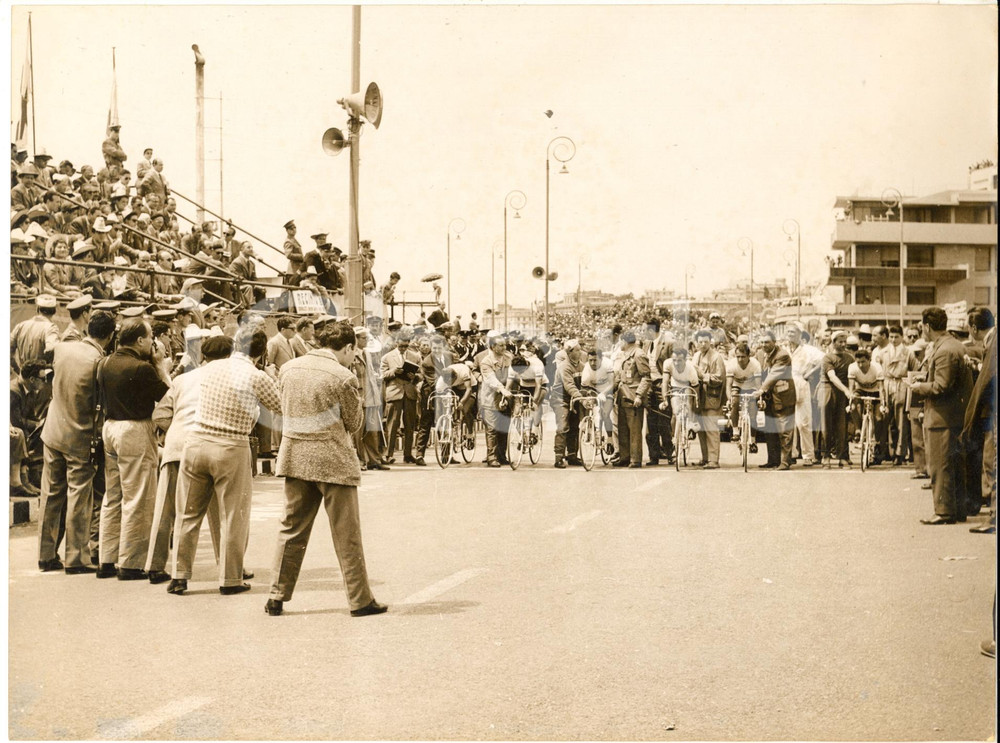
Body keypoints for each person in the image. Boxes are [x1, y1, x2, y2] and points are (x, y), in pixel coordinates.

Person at [265, 322, 386, 618]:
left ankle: (276, 595)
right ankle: (359, 600)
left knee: (291, 529)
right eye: (352, 352)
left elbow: (283, 407)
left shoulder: (289, 369)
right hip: (333, 460)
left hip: (295, 456)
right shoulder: (343, 376)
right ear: (346, 348)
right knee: (347, 534)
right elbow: (355, 423)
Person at [168, 325, 282, 595]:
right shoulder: (256, 376)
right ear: (262, 352)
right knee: (233, 515)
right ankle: (230, 578)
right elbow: (280, 406)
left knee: (188, 513)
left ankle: (179, 575)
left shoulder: (209, 368)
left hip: (196, 441)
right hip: (231, 445)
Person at [145, 335, 229, 584]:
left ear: (203, 356)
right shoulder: (227, 379)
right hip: (210, 445)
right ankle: (227, 565)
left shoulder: (181, 380)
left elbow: (160, 414)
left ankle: (155, 564)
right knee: (219, 512)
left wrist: (172, 433)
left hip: (177, 446)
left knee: (166, 509)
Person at [37, 311, 116, 574]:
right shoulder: (99, 361)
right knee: (79, 498)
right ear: (110, 335)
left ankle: (46, 555)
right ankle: (76, 558)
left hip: (53, 432)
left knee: (50, 495)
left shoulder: (62, 348)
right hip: (79, 437)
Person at [96, 318, 171, 580]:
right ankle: (131, 563)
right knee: (138, 497)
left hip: (110, 428)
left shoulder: (104, 363)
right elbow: (169, 396)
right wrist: (160, 364)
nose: (154, 342)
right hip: (135, 429)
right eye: (150, 337)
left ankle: (106, 559)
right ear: (140, 340)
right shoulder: (143, 368)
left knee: (113, 496)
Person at [910, 307, 974, 525]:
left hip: (942, 417)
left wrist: (918, 386)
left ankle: (944, 510)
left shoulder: (944, 349)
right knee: (955, 464)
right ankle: (957, 509)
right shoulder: (954, 345)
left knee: (940, 465)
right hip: (954, 415)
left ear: (927, 326)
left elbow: (941, 386)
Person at [613, 330, 651, 468]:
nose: (619, 344)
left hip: (633, 397)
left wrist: (640, 395)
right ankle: (625, 457)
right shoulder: (626, 355)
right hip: (623, 396)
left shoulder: (639, 354)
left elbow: (646, 377)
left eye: (620, 341)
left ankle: (635, 459)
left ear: (624, 341)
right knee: (623, 429)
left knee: (634, 430)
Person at [381, 332, 420, 464]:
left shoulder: (415, 356)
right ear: (396, 343)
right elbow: (382, 374)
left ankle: (408, 454)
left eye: (406, 346)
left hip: (409, 392)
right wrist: (393, 372)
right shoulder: (387, 357)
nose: (403, 348)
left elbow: (420, 375)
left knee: (410, 425)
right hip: (394, 392)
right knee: (392, 424)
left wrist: (414, 376)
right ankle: (388, 454)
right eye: (401, 346)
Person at [692, 329, 726, 469]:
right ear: (696, 343)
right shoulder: (696, 356)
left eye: (706, 341)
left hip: (712, 396)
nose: (703, 344)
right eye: (700, 341)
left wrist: (702, 376)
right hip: (698, 396)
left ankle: (713, 460)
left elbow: (719, 378)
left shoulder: (716, 357)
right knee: (701, 428)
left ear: (710, 342)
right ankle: (705, 457)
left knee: (711, 428)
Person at [479, 331, 514, 467]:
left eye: (504, 345)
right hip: (491, 398)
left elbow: (513, 374)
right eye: (500, 345)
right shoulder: (486, 362)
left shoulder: (508, 358)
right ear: (493, 347)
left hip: (506, 397)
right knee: (492, 429)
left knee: (504, 427)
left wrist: (508, 390)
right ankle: (491, 457)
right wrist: (502, 389)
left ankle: (501, 455)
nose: (504, 348)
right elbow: (490, 379)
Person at [847, 348, 887, 463]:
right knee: (853, 405)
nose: (860, 365)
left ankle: (877, 442)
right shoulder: (852, 367)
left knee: (879, 418)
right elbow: (851, 388)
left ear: (869, 360)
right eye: (858, 362)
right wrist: (850, 402)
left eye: (863, 362)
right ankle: (858, 429)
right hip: (861, 391)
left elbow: (881, 388)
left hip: (875, 392)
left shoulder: (877, 368)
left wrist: (883, 404)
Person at [820, 331, 854, 468]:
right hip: (828, 390)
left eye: (845, 341)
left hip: (843, 394)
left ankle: (842, 457)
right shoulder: (827, 358)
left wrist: (850, 391)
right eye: (840, 341)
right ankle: (825, 456)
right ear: (833, 342)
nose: (843, 344)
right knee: (826, 426)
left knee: (842, 426)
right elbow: (832, 377)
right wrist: (846, 390)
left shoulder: (850, 358)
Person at [642, 318, 673, 466]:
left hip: (662, 383)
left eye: (645, 330)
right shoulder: (646, 344)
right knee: (651, 422)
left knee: (664, 422)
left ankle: (669, 452)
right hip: (649, 384)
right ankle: (653, 455)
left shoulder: (668, 343)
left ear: (651, 330)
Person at [552, 339, 585, 468]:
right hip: (561, 399)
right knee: (563, 427)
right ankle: (558, 457)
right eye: (577, 350)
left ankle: (572, 455)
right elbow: (569, 386)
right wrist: (580, 397)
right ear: (569, 352)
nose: (580, 351)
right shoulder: (564, 367)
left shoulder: (582, 365)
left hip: (574, 399)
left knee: (574, 426)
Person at [11, 294, 61, 373]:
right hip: (41, 379)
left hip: (23, 376)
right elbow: (51, 349)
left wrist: (17, 369)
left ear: (37, 309)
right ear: (54, 311)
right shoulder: (51, 328)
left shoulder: (20, 326)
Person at [726, 342, 761, 454]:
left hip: (751, 387)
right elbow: (728, 385)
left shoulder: (755, 365)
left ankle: (753, 440)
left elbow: (758, 385)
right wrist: (729, 399)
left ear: (748, 356)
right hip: (737, 386)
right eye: (738, 357)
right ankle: (735, 431)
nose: (740, 359)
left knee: (753, 410)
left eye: (743, 357)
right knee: (734, 401)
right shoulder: (731, 365)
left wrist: (759, 398)